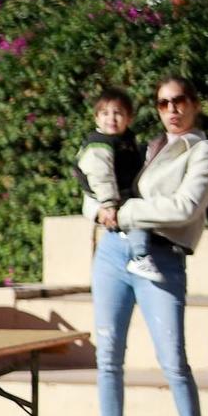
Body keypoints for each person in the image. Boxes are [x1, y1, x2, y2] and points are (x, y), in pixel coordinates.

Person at [90, 75, 208, 416]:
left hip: (161, 259)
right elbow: (101, 185)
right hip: (113, 251)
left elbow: (184, 207)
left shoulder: (202, 153)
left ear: (194, 104)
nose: (172, 110)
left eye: (179, 101)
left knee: (172, 360)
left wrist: (125, 212)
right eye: (163, 103)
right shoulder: (144, 146)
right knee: (108, 356)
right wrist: (98, 211)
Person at [75, 88, 159, 284]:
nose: (111, 118)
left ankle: (136, 250)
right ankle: (140, 256)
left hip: (117, 193)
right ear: (96, 118)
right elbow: (101, 176)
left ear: (129, 118)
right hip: (106, 196)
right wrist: (109, 204)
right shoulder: (99, 145)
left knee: (136, 215)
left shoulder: (126, 141)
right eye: (105, 113)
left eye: (118, 113)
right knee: (136, 217)